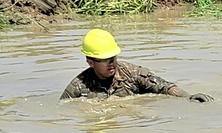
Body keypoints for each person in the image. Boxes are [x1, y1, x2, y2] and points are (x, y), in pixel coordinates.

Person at [60, 29, 213, 102]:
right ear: (91, 62)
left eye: (114, 57)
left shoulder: (132, 74)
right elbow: (62, 111)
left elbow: (163, 87)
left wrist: (188, 97)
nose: (112, 63)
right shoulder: (77, 87)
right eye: (106, 60)